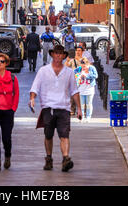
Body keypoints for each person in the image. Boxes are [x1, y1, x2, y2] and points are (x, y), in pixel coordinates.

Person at [29, 44, 82, 172]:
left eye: (60, 53)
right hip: (48, 107)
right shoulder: (43, 71)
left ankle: (65, 158)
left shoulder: (69, 72)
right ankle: (48, 158)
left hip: (64, 108)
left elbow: (74, 91)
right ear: (52, 54)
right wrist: (32, 99)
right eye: (56, 53)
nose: (58, 55)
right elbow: (35, 87)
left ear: (64, 56)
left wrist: (79, 109)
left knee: (64, 135)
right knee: (48, 135)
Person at [74, 58, 98, 122]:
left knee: (88, 104)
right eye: (82, 65)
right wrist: (78, 75)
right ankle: (81, 117)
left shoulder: (92, 68)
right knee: (81, 104)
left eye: (84, 66)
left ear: (88, 64)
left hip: (89, 89)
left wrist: (87, 76)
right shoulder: (78, 69)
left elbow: (96, 76)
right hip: (81, 89)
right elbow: (73, 74)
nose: (83, 67)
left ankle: (88, 117)